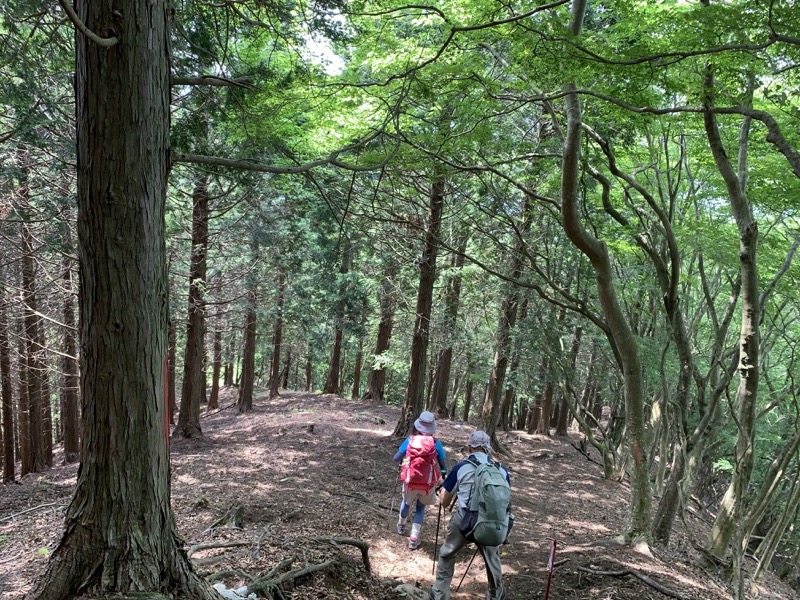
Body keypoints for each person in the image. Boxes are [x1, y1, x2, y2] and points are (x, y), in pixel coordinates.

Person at [429, 430, 510, 600]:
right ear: (488, 448)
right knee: (492, 560)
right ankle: (496, 595)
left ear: (469, 447)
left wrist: (440, 492)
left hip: (464, 521)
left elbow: (444, 502)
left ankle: (440, 594)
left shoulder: (461, 467)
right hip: (491, 522)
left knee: (447, 554)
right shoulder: (501, 471)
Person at [393, 411, 447, 549]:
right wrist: (444, 473)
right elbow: (442, 463)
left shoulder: (410, 440)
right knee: (420, 508)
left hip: (410, 480)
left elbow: (396, 458)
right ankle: (414, 538)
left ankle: (401, 525)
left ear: (418, 426)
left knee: (406, 502)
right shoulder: (436, 443)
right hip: (428, 483)